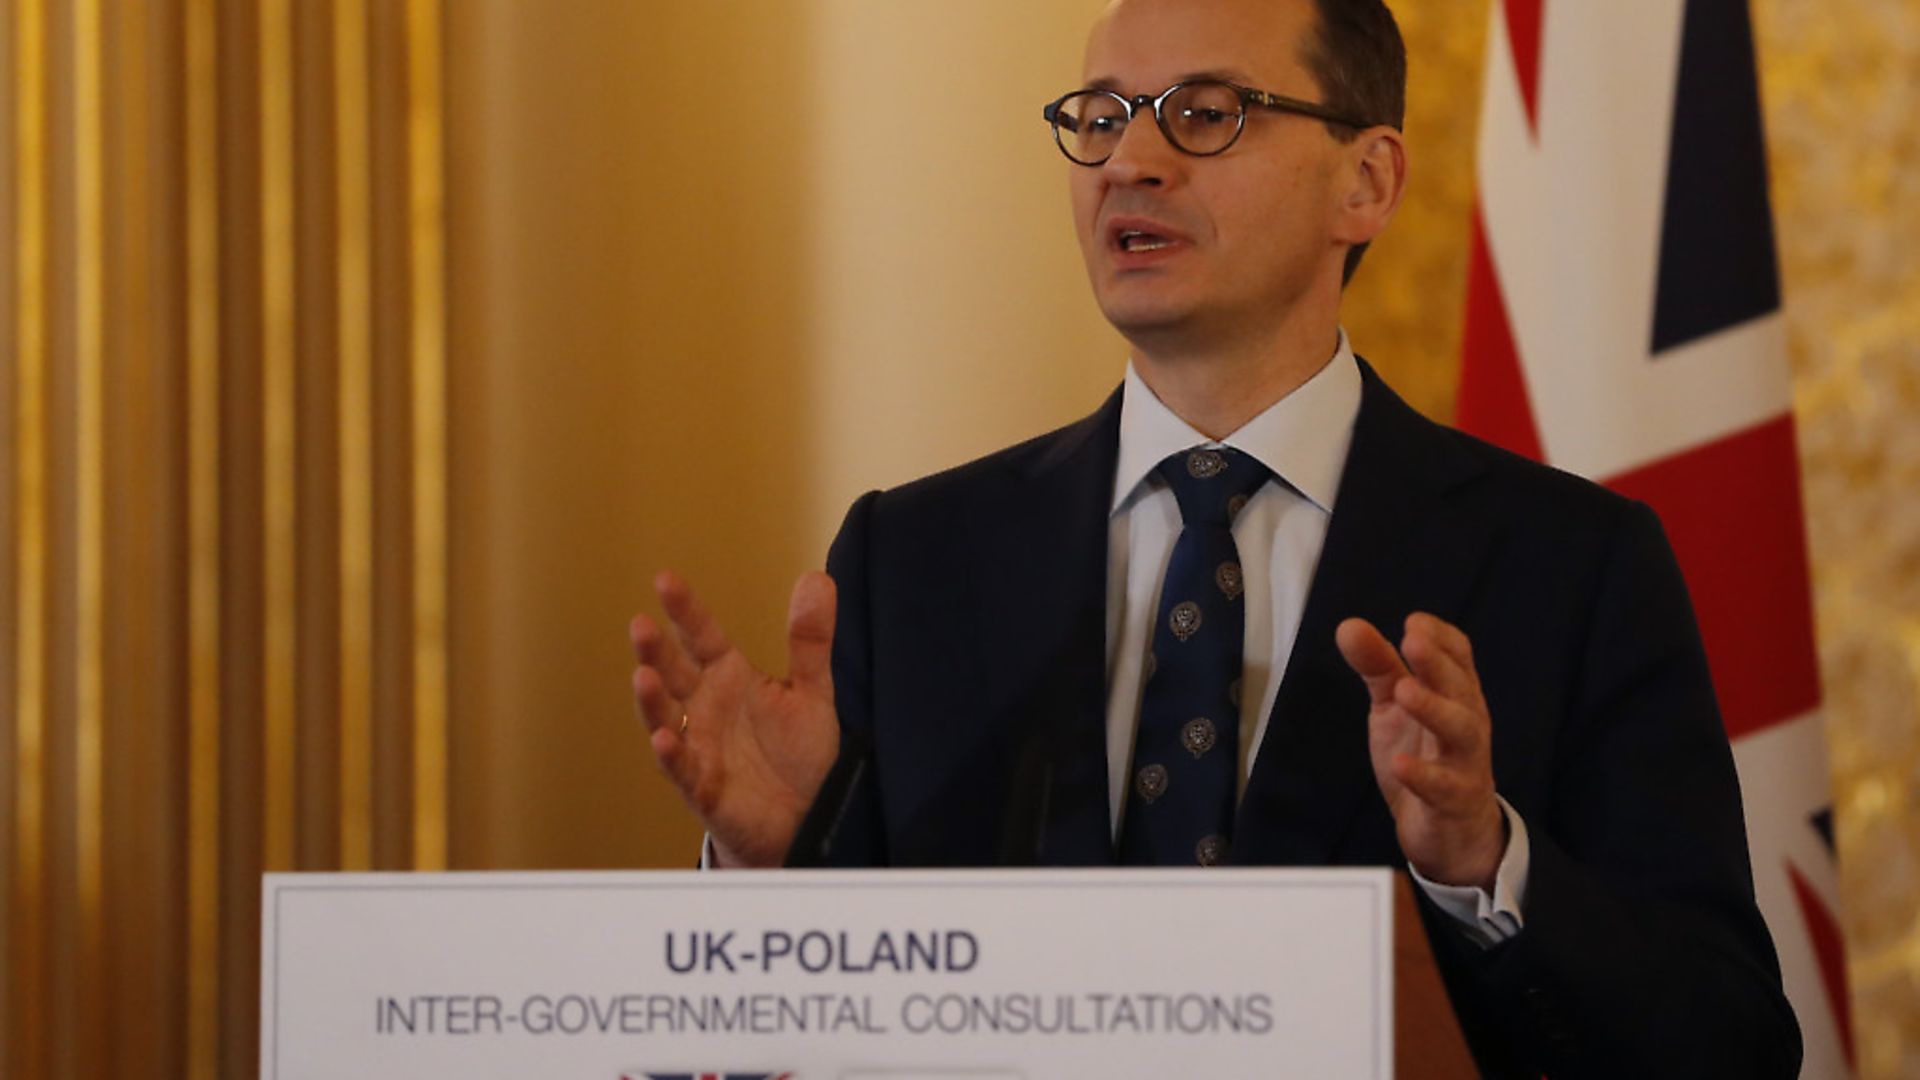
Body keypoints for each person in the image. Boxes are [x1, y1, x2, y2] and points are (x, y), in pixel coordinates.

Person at [628, 0, 1801, 1074]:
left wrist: (1487, 865)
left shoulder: (1573, 564)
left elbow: (1732, 1039)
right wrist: (772, 881)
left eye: (1204, 114)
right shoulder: (914, 558)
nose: (1128, 163)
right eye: (1098, 119)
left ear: (1368, 182)